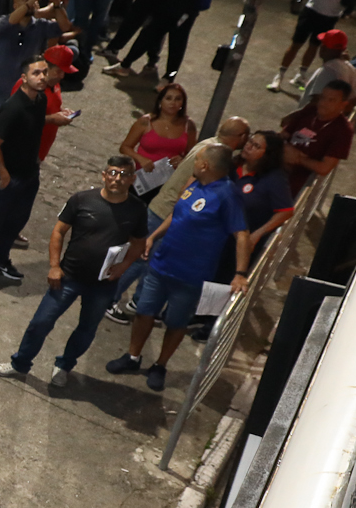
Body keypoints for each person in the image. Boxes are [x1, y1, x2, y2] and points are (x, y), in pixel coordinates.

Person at [105, 142, 249, 391]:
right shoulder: (195, 183)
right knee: (144, 312)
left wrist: (239, 274)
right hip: (162, 264)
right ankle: (132, 356)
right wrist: (153, 237)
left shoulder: (227, 195)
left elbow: (242, 235)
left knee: (176, 322)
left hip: (191, 275)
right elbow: (177, 214)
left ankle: (160, 364)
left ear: (205, 165)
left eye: (197, 160)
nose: (192, 163)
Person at [0, 157, 146, 387]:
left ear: (132, 179)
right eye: (113, 173)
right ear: (104, 175)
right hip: (68, 277)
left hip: (103, 284)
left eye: (124, 175)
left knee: (87, 329)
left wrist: (123, 267)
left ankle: (64, 366)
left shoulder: (137, 210)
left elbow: (139, 243)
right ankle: (19, 364)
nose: (117, 179)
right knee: (41, 322)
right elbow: (58, 232)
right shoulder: (82, 200)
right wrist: (54, 266)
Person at [0, 54, 49, 292]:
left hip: (28, 174)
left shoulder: (40, 100)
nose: (42, 77)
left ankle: (0, 260)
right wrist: (3, 174)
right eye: (36, 73)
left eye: (45, 72)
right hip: (5, 178)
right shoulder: (13, 107)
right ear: (24, 78)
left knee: (17, 221)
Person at [118, 81, 198, 204]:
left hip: (169, 181)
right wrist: (140, 158)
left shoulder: (189, 125)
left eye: (178, 99)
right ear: (160, 101)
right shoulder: (145, 122)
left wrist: (182, 160)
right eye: (168, 98)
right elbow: (125, 147)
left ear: (182, 103)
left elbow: (192, 154)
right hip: (142, 179)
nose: (173, 103)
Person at [228, 131, 295, 267]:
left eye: (256, 146)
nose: (248, 147)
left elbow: (286, 211)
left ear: (268, 154)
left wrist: (257, 234)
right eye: (250, 142)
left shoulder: (274, 178)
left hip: (241, 242)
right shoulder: (233, 166)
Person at [0, 0, 62, 104]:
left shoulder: (41, 25)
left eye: (34, 0)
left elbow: (63, 26)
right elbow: (11, 21)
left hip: (22, 93)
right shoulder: (3, 22)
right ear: (15, 6)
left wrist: (57, 1)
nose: (31, 2)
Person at [280, 82, 355, 196]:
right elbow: (283, 134)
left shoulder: (343, 130)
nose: (323, 103)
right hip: (278, 165)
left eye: (331, 100)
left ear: (342, 105)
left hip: (297, 181)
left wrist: (298, 158)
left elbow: (324, 168)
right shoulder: (310, 110)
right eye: (323, 98)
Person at [37, 45, 76, 164]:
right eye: (58, 71)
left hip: (40, 149)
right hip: (23, 151)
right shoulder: (29, 88)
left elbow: (50, 107)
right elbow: (18, 119)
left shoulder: (54, 83)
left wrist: (61, 112)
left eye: (64, 72)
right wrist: (52, 119)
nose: (62, 76)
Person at [301, 30, 356, 106]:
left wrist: (295, 116)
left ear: (323, 48)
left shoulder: (327, 70)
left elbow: (315, 102)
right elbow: (353, 99)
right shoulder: (351, 69)